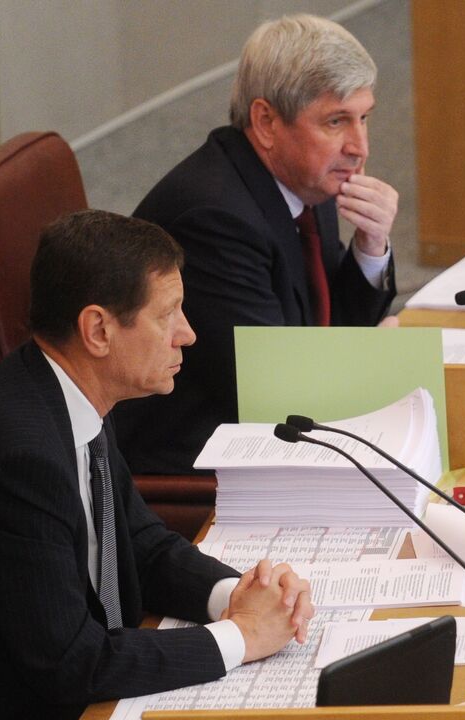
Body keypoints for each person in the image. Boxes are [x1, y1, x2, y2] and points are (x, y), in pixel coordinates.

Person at [0, 210, 314, 720]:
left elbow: (138, 542)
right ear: (98, 330)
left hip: (47, 698)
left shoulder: (67, 393)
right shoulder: (15, 454)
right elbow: (72, 663)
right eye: (167, 314)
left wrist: (236, 595)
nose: (188, 333)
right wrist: (242, 637)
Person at [114, 14, 398, 476]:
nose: (359, 146)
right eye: (336, 121)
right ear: (266, 121)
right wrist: (377, 365)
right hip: (200, 456)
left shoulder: (306, 181)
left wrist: (371, 245)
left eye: (364, 118)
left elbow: (330, 326)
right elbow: (269, 391)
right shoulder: (214, 218)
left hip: (275, 420)